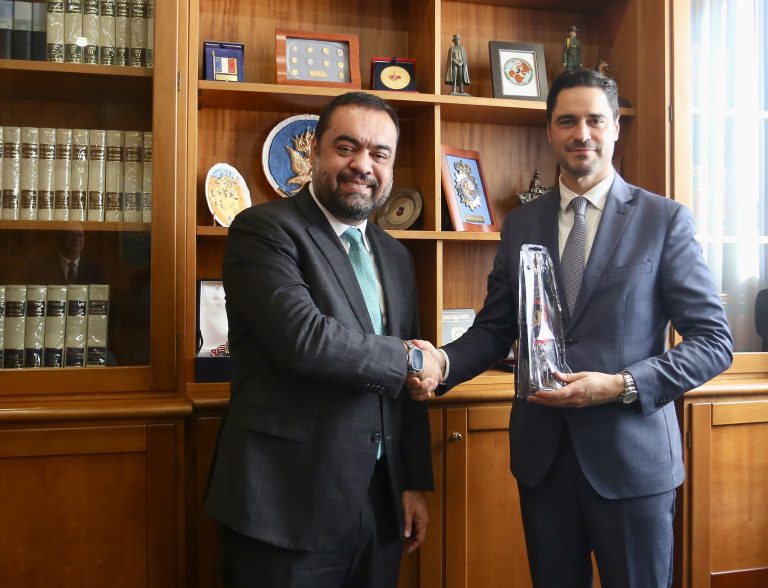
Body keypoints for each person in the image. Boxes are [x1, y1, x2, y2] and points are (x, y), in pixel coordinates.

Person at [408, 69, 733, 587]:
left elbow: (714, 342)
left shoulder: (664, 220)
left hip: (632, 462)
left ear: (616, 128)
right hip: (544, 462)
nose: (582, 133)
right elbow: (495, 329)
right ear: (549, 131)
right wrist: (441, 363)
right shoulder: (521, 224)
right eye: (567, 121)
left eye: (595, 120)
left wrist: (621, 385)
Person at [205, 91, 434, 588]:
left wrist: (413, 481)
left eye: (379, 154)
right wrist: (411, 358)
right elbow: (304, 339)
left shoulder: (396, 256)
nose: (363, 165)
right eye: (346, 148)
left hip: (380, 502)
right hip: (286, 501)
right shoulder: (263, 230)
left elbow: (405, 389)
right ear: (314, 152)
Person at [26, 228, 106, 285]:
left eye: (80, 235)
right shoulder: (39, 266)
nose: (76, 239)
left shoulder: (94, 269)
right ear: (60, 237)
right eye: (71, 234)